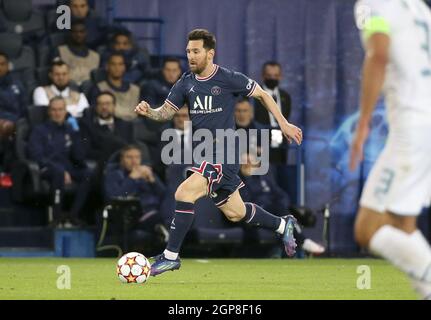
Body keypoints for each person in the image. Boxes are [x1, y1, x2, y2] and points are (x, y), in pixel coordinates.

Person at [135, 29, 303, 276]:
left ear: (209, 53)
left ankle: (170, 256)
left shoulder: (227, 78)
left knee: (184, 192)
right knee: (236, 212)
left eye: (196, 51)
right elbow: (166, 113)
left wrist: (284, 123)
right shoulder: (185, 83)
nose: (190, 56)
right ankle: (282, 224)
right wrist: (150, 111)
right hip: (204, 154)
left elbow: (263, 95)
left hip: (224, 153)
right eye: (188, 51)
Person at [350, 0, 431, 299]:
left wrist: (363, 124)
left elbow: (379, 54)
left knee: (367, 230)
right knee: (402, 226)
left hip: (411, 128)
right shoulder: (421, 9)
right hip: (426, 128)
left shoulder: (372, 5)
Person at [239, 154, 325, 255]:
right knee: (282, 213)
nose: (250, 162)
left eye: (252, 159)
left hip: (273, 209)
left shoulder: (264, 176)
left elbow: (280, 194)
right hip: (254, 211)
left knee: (283, 210)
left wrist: (283, 204)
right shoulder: (239, 178)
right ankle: (302, 241)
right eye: (247, 160)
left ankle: (281, 251)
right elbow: (244, 201)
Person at [28, 97, 92, 227]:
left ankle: (74, 215)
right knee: (58, 173)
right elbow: (37, 155)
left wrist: (76, 134)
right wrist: (61, 170)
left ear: (65, 111)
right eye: (54, 110)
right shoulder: (40, 130)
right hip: (48, 168)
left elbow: (79, 157)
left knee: (88, 174)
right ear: (49, 112)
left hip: (68, 167)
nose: (57, 113)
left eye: (60, 110)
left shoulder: (70, 129)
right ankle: (57, 217)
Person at [104, 145, 166, 231]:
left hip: (156, 210)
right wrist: (131, 178)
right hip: (133, 216)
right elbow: (114, 197)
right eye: (129, 157)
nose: (134, 161)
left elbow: (165, 195)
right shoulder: (114, 175)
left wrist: (153, 181)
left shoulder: (146, 173)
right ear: (122, 159)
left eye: (137, 157)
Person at [91, 53, 140, 121]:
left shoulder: (135, 90)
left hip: (135, 127)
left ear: (124, 67)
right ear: (107, 66)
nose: (117, 67)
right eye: (113, 64)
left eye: (120, 64)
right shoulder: (99, 88)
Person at [54, 20, 100, 86]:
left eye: (81, 32)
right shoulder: (60, 51)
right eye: (75, 32)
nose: (78, 35)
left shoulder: (96, 56)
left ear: (86, 33)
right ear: (70, 33)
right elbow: (56, 74)